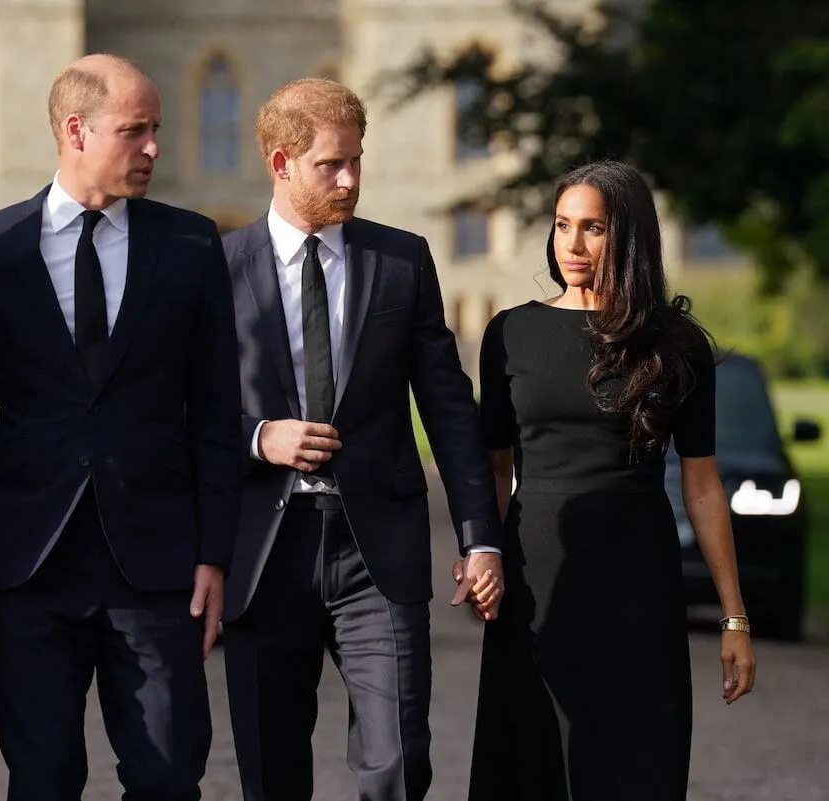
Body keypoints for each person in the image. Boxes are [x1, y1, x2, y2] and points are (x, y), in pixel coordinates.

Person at [0, 54, 241, 801]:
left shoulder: (192, 244)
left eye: (156, 130)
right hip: (29, 565)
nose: (153, 149)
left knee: (169, 776)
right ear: (75, 130)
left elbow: (215, 411)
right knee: (42, 779)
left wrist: (215, 554)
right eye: (135, 130)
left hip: (158, 570)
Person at [219, 77, 504, 801]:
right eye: (330, 165)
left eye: (357, 161)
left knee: (399, 763)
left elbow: (448, 406)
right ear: (281, 164)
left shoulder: (401, 262)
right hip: (263, 553)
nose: (350, 180)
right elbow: (176, 411)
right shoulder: (215, 270)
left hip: (376, 553)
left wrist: (479, 534)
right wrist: (258, 437)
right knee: (271, 772)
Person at [467, 160, 757, 801]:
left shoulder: (675, 343)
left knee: (632, 759)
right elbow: (492, 468)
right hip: (535, 575)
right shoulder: (511, 333)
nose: (571, 244)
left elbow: (703, 485)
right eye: (563, 224)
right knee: (531, 754)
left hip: (636, 580)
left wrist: (734, 618)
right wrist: (479, 553)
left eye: (592, 228)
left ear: (628, 236)